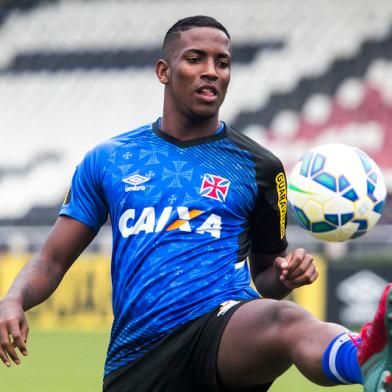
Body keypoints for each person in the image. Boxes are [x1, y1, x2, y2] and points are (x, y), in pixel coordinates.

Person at [0, 15, 391, 392]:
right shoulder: (108, 160)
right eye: (195, 59)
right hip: (138, 355)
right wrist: (14, 299)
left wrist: (285, 275)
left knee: (285, 320)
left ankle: (366, 359)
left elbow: (267, 277)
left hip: (220, 333)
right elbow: (51, 261)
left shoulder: (260, 166)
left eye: (222, 63)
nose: (211, 70)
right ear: (163, 71)